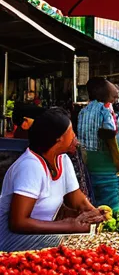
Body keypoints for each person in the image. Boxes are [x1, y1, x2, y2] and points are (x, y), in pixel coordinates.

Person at [0, 108, 104, 252]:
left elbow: (77, 200)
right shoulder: (30, 166)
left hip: (40, 237)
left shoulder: (63, 159)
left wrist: (95, 215)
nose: (75, 136)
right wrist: (69, 226)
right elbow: (18, 222)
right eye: (71, 131)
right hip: (12, 242)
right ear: (58, 138)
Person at [78, 77, 119, 211]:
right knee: (111, 209)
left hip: (88, 167)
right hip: (106, 169)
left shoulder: (82, 112)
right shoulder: (105, 110)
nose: (115, 99)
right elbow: (110, 136)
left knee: (94, 207)